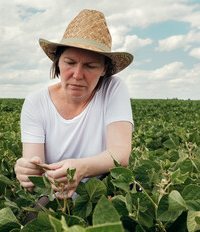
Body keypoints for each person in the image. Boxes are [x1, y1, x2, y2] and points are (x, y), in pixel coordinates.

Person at [15, 9, 134, 201]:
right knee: (36, 220)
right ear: (57, 62)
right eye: (70, 63)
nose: (77, 75)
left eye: (90, 66)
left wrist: (82, 168)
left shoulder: (113, 88)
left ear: (104, 69)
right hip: (56, 193)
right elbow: (35, 173)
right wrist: (27, 171)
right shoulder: (36, 102)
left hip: (101, 190)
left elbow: (120, 155)